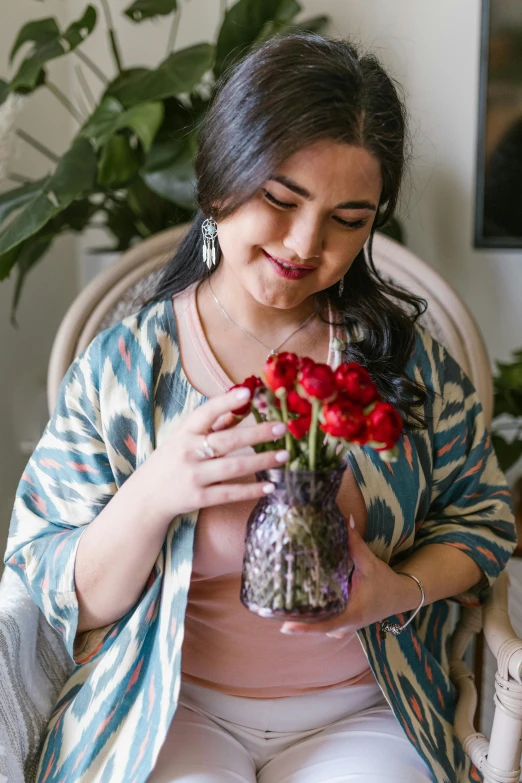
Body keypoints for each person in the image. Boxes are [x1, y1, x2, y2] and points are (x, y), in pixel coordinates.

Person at [3, 32, 516, 783]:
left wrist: (394, 590)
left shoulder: (402, 362)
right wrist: (154, 491)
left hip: (365, 708)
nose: (307, 244)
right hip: (169, 703)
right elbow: (58, 593)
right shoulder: (126, 368)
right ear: (219, 181)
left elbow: (483, 520)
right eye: (280, 199)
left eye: (350, 218)